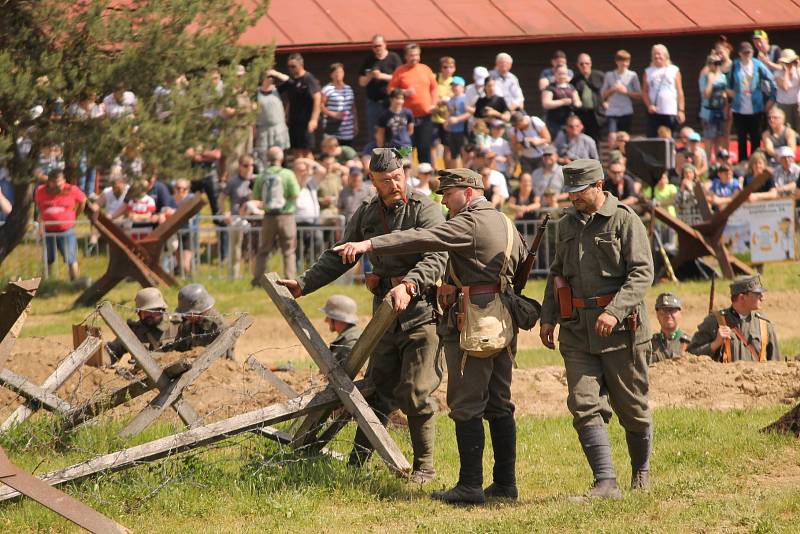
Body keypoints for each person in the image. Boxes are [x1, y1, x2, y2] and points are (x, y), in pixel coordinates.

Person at [332, 167, 532, 505]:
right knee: (499, 403)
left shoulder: (469, 221)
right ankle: (504, 485)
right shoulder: (504, 222)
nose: (444, 202)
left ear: (467, 193)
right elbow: (519, 263)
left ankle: (470, 486)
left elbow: (420, 238)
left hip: (475, 322)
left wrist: (369, 243)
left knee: (466, 404)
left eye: (448, 194)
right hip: (501, 318)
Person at [277, 148, 447, 484]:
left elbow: (436, 255)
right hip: (384, 314)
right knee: (374, 390)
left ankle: (424, 467)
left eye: (397, 177)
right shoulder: (369, 212)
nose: (394, 184)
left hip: (423, 311)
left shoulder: (424, 208)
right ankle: (357, 464)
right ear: (373, 181)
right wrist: (303, 283)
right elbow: (342, 254)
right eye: (385, 180)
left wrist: (410, 285)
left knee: (415, 391)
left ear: (405, 174)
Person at [540, 159, 654, 499]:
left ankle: (641, 470)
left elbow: (641, 273)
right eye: (570, 192)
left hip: (622, 334)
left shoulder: (624, 221)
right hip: (577, 331)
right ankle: (606, 483)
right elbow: (556, 274)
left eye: (579, 191)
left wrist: (615, 312)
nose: (573, 198)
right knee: (583, 402)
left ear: (599, 185)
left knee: (632, 408)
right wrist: (548, 317)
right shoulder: (565, 226)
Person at [688, 275, 780, 362]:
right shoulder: (714, 321)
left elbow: (775, 364)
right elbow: (690, 356)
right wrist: (715, 344)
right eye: (757, 294)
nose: (763, 298)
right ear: (742, 298)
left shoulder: (764, 325)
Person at [251, 147, 300, 283]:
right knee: (288, 251)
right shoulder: (288, 174)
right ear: (281, 158)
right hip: (286, 216)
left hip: (268, 217)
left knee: (264, 250)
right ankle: (290, 279)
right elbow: (295, 194)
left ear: (268, 159)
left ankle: (257, 280)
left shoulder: (262, 175)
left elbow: (256, 196)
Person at [388, 44, 438, 164]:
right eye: (411, 55)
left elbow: (434, 88)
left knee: (424, 147)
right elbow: (390, 90)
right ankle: (404, 174)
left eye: (416, 55)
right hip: (405, 118)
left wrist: (434, 104)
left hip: (425, 116)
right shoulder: (400, 71)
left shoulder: (425, 69)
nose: (414, 57)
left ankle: (425, 176)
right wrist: (404, 92)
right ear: (405, 56)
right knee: (405, 148)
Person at [727, 41, 776, 163]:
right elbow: (727, 84)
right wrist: (731, 94)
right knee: (741, 138)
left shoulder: (758, 65)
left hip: (756, 107)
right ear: (739, 54)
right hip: (739, 108)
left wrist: (771, 100)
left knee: (755, 138)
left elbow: (772, 81)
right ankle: (743, 163)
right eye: (744, 53)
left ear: (752, 53)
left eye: (749, 52)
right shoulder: (735, 65)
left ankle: (756, 163)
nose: (747, 55)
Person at [35, 168, 86, 281]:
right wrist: (41, 225)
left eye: (60, 181)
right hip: (48, 230)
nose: (58, 184)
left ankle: (75, 281)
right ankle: (45, 282)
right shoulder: (40, 190)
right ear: (49, 181)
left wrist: (74, 216)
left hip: (66, 230)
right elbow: (40, 208)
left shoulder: (72, 189)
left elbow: (83, 201)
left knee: (70, 258)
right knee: (48, 258)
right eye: (54, 181)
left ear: (64, 180)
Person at [105, 288, 179, 363]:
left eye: (153, 311)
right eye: (145, 312)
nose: (150, 315)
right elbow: (113, 351)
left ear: (162, 310)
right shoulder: (134, 330)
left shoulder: (177, 325)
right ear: (139, 313)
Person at [270, 54, 321, 158]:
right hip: (294, 121)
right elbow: (285, 97)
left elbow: (317, 98)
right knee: (296, 149)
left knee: (306, 150)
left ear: (301, 65)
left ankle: (309, 171)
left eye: (293, 66)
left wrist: (314, 119)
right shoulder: (291, 81)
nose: (291, 69)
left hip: (306, 121)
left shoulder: (308, 78)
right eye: (289, 66)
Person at [358, 34, 403, 148]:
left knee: (394, 132)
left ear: (385, 44)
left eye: (379, 46)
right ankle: (380, 164)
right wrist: (370, 76)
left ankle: (398, 162)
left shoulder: (393, 58)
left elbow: (400, 78)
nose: (377, 49)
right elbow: (361, 82)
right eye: (374, 47)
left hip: (391, 103)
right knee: (375, 134)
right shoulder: (369, 60)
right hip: (374, 103)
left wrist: (382, 76)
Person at [172, 284, 233, 359]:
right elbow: (177, 351)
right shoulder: (187, 322)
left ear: (199, 310)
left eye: (188, 313)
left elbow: (220, 362)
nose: (185, 316)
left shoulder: (219, 327)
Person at [222, 155, 256, 279]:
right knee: (235, 250)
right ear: (240, 166)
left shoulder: (256, 180)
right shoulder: (233, 181)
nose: (249, 168)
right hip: (236, 219)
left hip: (253, 219)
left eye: (252, 165)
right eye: (246, 165)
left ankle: (254, 277)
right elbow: (222, 198)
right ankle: (233, 277)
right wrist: (225, 212)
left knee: (253, 249)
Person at [642, 44, 685, 137]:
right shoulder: (648, 71)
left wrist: (681, 110)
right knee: (653, 138)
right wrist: (649, 106)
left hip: (670, 110)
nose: (657, 56)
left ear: (666, 55)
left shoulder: (674, 70)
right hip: (654, 112)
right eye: (654, 54)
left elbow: (679, 91)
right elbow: (645, 92)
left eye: (659, 54)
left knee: (670, 138)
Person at [602, 50, 641, 149]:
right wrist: (612, 89)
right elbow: (602, 94)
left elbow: (639, 95)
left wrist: (625, 92)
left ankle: (624, 157)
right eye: (622, 61)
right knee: (612, 136)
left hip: (626, 110)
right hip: (612, 111)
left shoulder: (633, 75)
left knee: (624, 137)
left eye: (627, 61)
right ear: (616, 61)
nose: (624, 64)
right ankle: (613, 155)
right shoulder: (609, 75)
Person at [699, 53, 729, 163]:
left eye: (718, 63)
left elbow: (725, 93)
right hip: (708, 112)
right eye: (713, 63)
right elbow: (705, 94)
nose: (716, 66)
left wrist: (726, 109)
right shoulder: (704, 77)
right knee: (708, 139)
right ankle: (706, 162)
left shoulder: (723, 77)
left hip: (720, 111)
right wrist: (710, 81)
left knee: (719, 139)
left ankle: (718, 162)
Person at [254, 72, 290, 158]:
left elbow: (289, 81)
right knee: (263, 155)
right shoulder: (255, 93)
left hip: (278, 129)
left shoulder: (277, 90)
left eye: (271, 77)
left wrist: (275, 73)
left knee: (280, 154)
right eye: (268, 77)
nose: (270, 79)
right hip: (263, 129)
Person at [571, 53, 605, 143]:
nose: (584, 66)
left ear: (591, 63)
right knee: (586, 141)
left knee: (599, 140)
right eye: (581, 64)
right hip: (584, 115)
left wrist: (608, 102)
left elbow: (608, 90)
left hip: (599, 114)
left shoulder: (600, 76)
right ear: (577, 65)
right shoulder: (574, 81)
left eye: (586, 63)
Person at [321, 63, 357, 146]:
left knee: (346, 149)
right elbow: (320, 106)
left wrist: (355, 124)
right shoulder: (327, 89)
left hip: (347, 127)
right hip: (332, 126)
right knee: (332, 150)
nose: (338, 74)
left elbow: (353, 107)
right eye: (336, 72)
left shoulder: (349, 88)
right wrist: (333, 114)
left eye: (340, 72)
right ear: (331, 74)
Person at [650, 293, 691, 364]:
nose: (668, 315)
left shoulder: (690, 344)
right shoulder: (649, 344)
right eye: (664, 311)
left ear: (680, 313)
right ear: (657, 315)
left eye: (672, 310)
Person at [321, 295, 363, 365]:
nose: (325, 320)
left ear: (337, 318)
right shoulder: (351, 336)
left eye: (329, 316)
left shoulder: (350, 342)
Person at [541, 65, 580, 138]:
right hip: (554, 121)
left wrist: (576, 103)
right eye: (560, 74)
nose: (562, 76)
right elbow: (546, 103)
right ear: (555, 74)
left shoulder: (571, 87)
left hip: (569, 120)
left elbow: (578, 101)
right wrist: (563, 102)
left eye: (564, 74)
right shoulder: (550, 87)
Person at [445, 76, 469, 167]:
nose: (454, 87)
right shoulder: (451, 99)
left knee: (464, 153)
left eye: (456, 85)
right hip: (452, 131)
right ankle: (457, 175)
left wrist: (458, 119)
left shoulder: (466, 98)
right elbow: (450, 112)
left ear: (462, 86)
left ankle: (466, 174)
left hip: (463, 130)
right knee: (453, 154)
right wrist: (447, 121)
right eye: (452, 85)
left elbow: (469, 113)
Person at [775, 48, 800, 131]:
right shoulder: (778, 72)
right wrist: (786, 72)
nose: (789, 64)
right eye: (787, 62)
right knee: (788, 129)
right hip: (784, 105)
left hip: (797, 104)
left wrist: (797, 68)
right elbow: (785, 87)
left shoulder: (798, 70)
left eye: (791, 61)